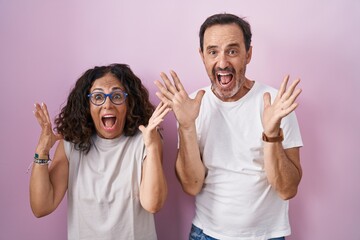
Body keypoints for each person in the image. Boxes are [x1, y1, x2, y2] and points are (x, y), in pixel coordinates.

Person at [155, 13, 303, 240]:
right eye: (213, 52)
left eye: (232, 51)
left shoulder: (276, 104)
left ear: (248, 54)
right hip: (206, 234)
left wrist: (272, 134)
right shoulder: (191, 106)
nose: (222, 62)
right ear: (202, 56)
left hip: (267, 236)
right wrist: (186, 126)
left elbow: (287, 189)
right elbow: (191, 186)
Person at [30, 63, 170, 240]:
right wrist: (42, 151)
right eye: (98, 97)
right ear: (87, 106)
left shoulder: (146, 139)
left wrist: (152, 146)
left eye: (117, 96)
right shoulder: (71, 145)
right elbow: (41, 207)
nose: (108, 104)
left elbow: (153, 204)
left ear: (129, 103)